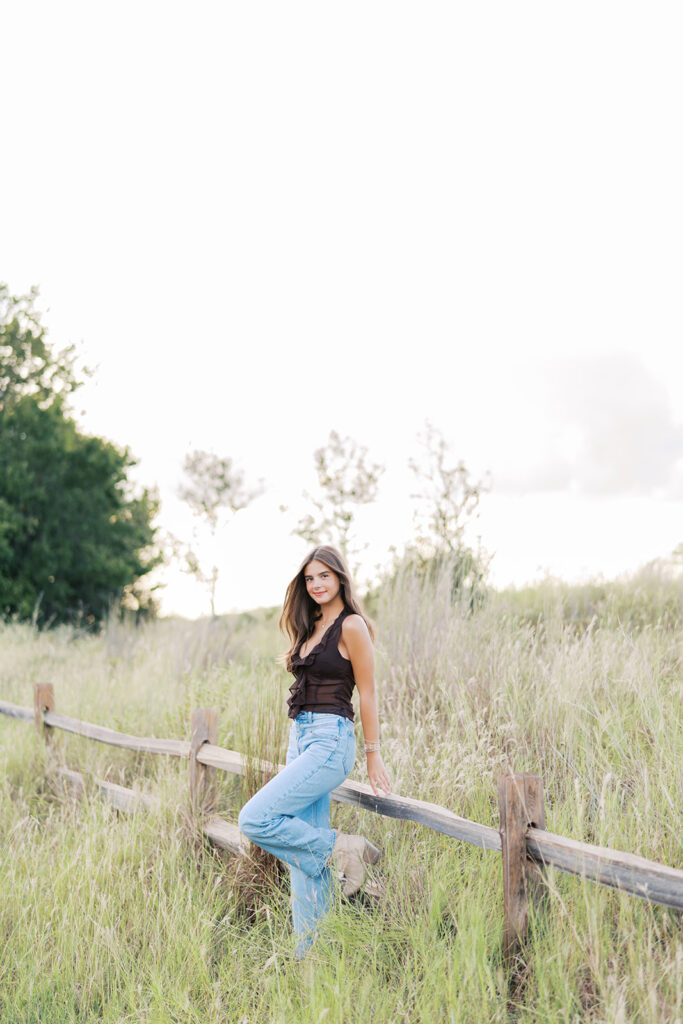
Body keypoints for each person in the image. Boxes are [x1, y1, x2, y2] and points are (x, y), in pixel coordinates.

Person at [238, 544, 391, 960]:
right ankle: (313, 960)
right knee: (305, 862)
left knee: (254, 818)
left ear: (340, 577)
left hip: (330, 740)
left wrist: (373, 753)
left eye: (324, 575)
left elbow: (369, 692)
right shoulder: (310, 626)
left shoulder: (352, 625)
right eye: (309, 578)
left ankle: (344, 846)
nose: (316, 584)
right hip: (301, 736)